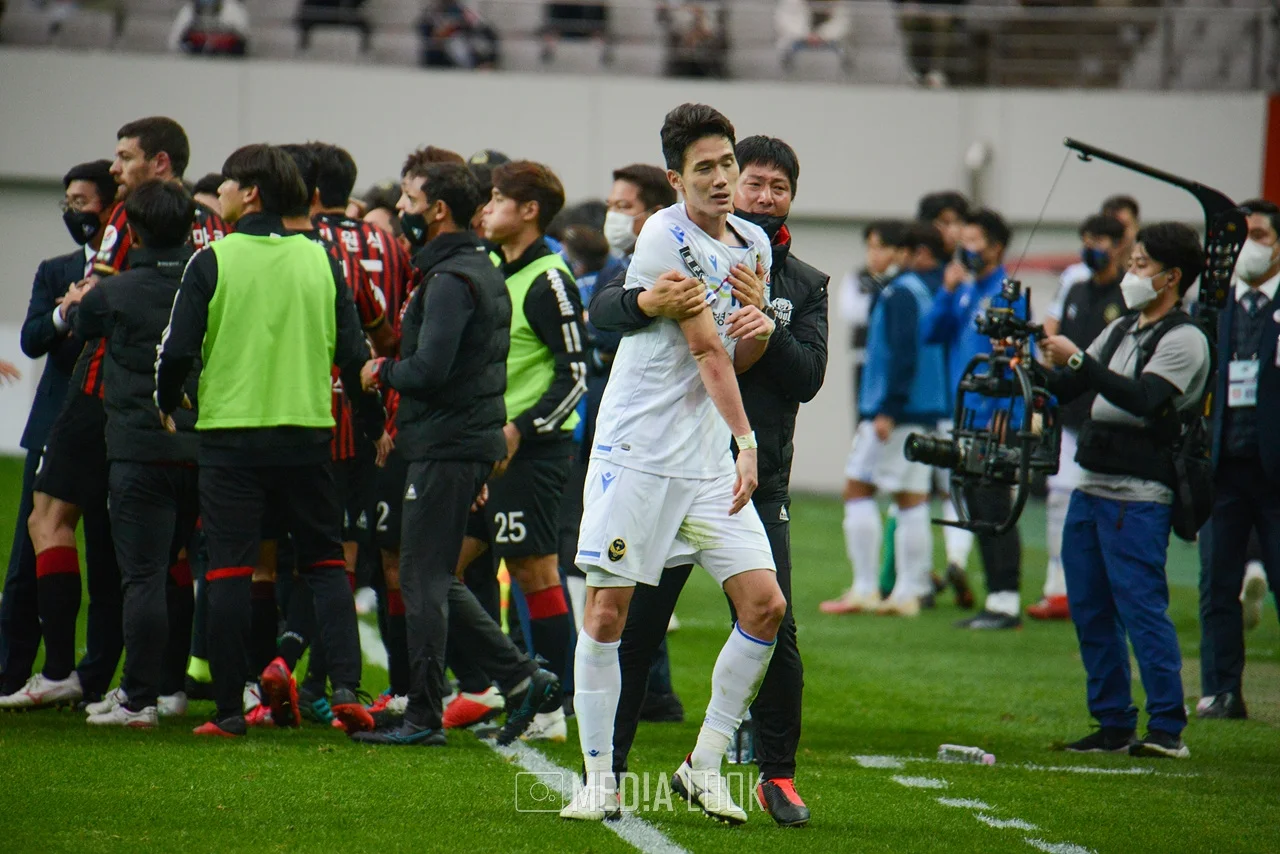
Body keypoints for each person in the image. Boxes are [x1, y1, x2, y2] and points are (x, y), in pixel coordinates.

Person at [590, 133, 828, 826]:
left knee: (771, 616)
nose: (756, 193)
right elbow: (617, 311)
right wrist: (646, 304)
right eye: (745, 177)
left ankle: (765, 772)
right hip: (662, 459)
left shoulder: (792, 275)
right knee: (628, 625)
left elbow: (797, 374)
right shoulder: (670, 238)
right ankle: (605, 773)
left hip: (748, 472)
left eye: (775, 186)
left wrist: (766, 324)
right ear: (684, 178)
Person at [155, 143, 382, 738]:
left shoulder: (212, 259)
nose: (221, 193)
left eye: (228, 183)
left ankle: (231, 711)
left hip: (231, 438)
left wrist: (167, 399)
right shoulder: (320, 259)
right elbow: (354, 355)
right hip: (307, 435)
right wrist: (373, 424)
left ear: (251, 192)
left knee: (230, 570)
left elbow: (176, 351)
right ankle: (346, 691)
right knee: (326, 565)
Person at [8, 117, 225, 711]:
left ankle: (60, 670)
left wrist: (84, 300)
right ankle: (169, 685)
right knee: (169, 548)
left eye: (125, 156)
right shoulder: (214, 225)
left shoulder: (130, 216)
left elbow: (90, 296)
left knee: (49, 519)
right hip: (188, 403)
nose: (114, 167)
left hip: (104, 388)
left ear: (160, 163)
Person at [355, 162, 560, 746]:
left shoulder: (451, 278)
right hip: (459, 442)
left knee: (422, 576)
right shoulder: (475, 268)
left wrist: (379, 370)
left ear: (438, 209)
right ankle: (520, 679)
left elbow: (430, 369)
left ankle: (425, 716)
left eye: (409, 198)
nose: (401, 208)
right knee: (433, 574)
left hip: (449, 444)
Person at [1041, 222, 1210, 760]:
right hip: (1091, 487)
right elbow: (1069, 385)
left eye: (1140, 265)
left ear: (1172, 277)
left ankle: (1167, 727)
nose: (1130, 274)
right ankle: (1113, 722)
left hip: (1138, 495)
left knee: (1140, 608)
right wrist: (1031, 359)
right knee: (1090, 609)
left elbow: (1145, 399)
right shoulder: (1120, 329)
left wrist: (1077, 360)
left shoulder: (1184, 338)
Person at [68, 180, 202, 727]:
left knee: (142, 576)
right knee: (186, 570)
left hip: (140, 450)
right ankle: (175, 689)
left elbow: (81, 326)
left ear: (135, 233)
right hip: (202, 450)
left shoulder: (114, 293)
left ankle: (138, 698)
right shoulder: (208, 285)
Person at [477, 160, 587, 741]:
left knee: (535, 572)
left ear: (528, 211)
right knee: (438, 567)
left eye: (498, 199)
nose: (487, 208)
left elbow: (576, 373)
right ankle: (494, 685)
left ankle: (551, 706)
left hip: (531, 452)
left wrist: (520, 428)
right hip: (483, 449)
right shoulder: (497, 267)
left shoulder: (550, 279)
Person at [0, 159, 113, 699]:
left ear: (110, 205)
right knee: (27, 556)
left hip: (108, 421)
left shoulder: (129, 271)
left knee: (106, 557)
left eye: (82, 201)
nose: (72, 211)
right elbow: (32, 339)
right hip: (53, 421)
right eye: (67, 202)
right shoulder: (55, 270)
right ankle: (13, 669)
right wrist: (66, 315)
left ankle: (93, 677)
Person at [824, 221, 948, 617]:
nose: (872, 256)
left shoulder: (899, 292)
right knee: (911, 500)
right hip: (919, 411)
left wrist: (888, 410)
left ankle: (868, 588)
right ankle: (908, 590)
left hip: (896, 413)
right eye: (871, 247)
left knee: (858, 489)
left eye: (881, 247)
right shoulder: (920, 290)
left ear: (903, 253)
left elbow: (904, 355)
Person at [924, 207, 1025, 630]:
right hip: (964, 414)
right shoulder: (966, 289)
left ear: (996, 247)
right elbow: (931, 332)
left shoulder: (1006, 294)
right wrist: (947, 292)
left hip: (991, 418)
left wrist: (1005, 412)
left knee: (995, 504)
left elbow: (1016, 359)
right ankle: (995, 599)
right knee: (977, 505)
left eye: (973, 240)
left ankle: (1007, 600)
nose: (965, 248)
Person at [1198, 199, 1280, 720]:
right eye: (1242, 237)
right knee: (1217, 584)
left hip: (1277, 471)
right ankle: (1222, 690)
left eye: (1260, 236)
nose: (1249, 247)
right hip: (1223, 467)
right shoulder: (1213, 308)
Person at [1031, 214, 1130, 622]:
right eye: (1087, 238)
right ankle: (1059, 586)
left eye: (1101, 239)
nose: (1092, 246)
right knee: (1059, 496)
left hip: (1108, 414)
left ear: (1120, 244)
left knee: (1105, 501)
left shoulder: (1126, 295)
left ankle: (1105, 586)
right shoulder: (1074, 288)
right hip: (1070, 411)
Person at [913, 191, 974, 601]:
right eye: (943, 221)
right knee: (918, 488)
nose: (950, 230)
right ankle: (922, 574)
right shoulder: (919, 275)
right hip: (920, 398)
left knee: (953, 483)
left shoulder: (969, 278)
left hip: (955, 397)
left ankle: (951, 563)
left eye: (957, 221)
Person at [1045, 196, 1141, 337]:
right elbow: (1054, 324)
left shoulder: (1131, 291)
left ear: (1118, 245)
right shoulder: (1076, 289)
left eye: (1097, 242)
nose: (1090, 248)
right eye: (1086, 243)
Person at [603, 163, 676, 259]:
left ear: (655, 213)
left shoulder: (669, 263)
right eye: (609, 206)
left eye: (622, 206)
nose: (612, 214)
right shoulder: (616, 263)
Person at [418, 1, 498, 69]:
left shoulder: (461, 11)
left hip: (461, 48)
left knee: (457, 43)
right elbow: (427, 33)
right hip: (438, 54)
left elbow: (489, 34)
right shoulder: (431, 13)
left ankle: (477, 66)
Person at [776, 0, 850, 71]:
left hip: (827, 39)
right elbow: (785, 21)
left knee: (841, 49)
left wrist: (822, 35)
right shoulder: (791, 5)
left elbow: (842, 24)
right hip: (800, 38)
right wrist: (806, 35)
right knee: (788, 49)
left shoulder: (836, 6)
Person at [659, 2, 727, 78]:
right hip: (682, 60)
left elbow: (710, 33)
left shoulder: (710, 13)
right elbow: (676, 32)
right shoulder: (681, 14)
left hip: (705, 61)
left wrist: (700, 18)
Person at [169, 0, 249, 56]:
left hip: (228, 62)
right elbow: (174, 43)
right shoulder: (188, 10)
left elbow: (245, 44)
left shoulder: (232, 9)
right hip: (194, 63)